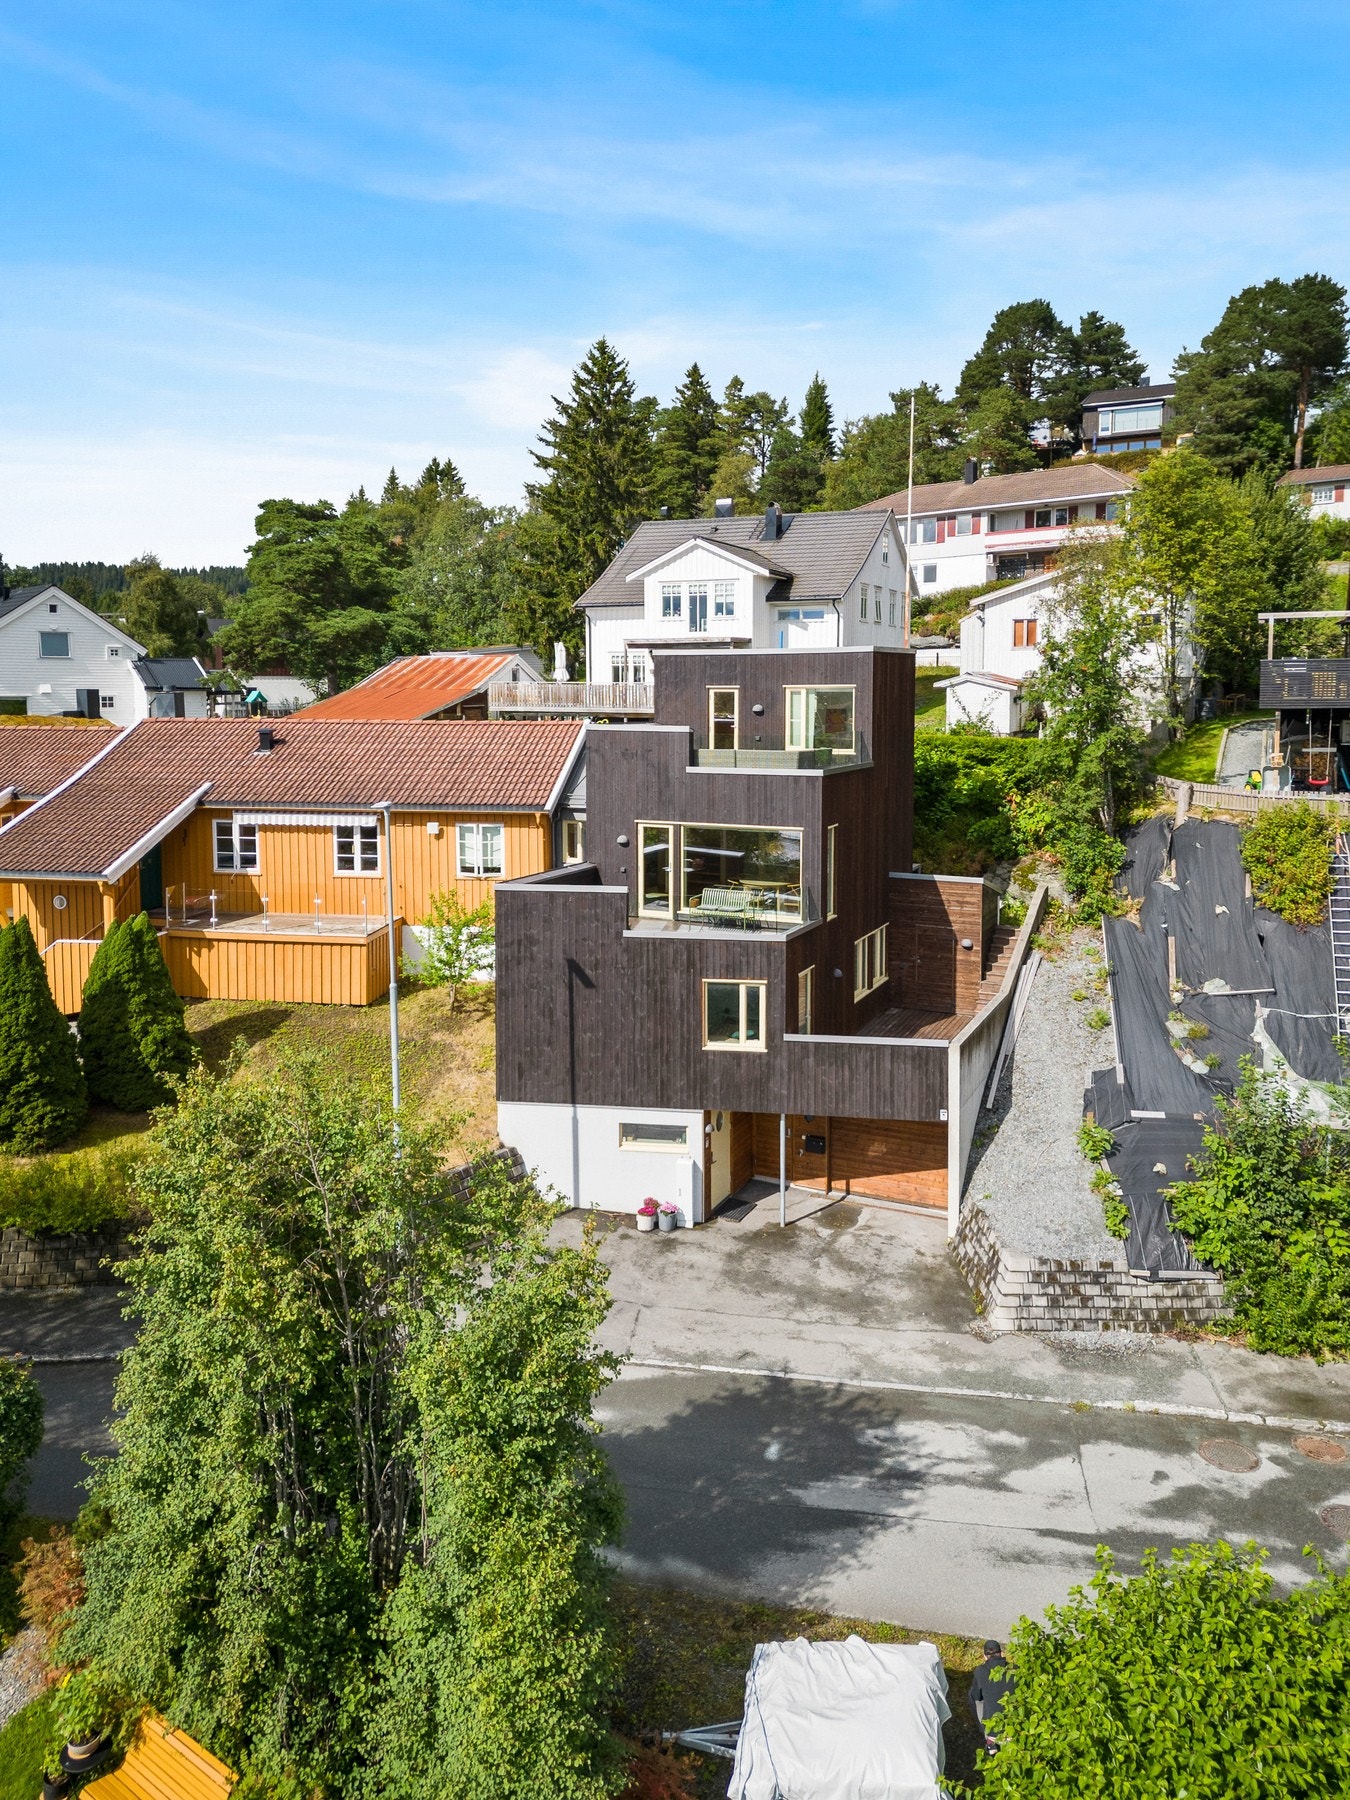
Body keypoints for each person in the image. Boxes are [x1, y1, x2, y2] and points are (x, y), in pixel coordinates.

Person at [967, 1639, 1015, 1753]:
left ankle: (989, 1739)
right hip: (1014, 1727)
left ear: (985, 1657)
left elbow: (976, 1696)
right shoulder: (1015, 1669)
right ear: (1002, 1654)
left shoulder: (980, 1671)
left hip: (993, 1730)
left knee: (974, 1699)